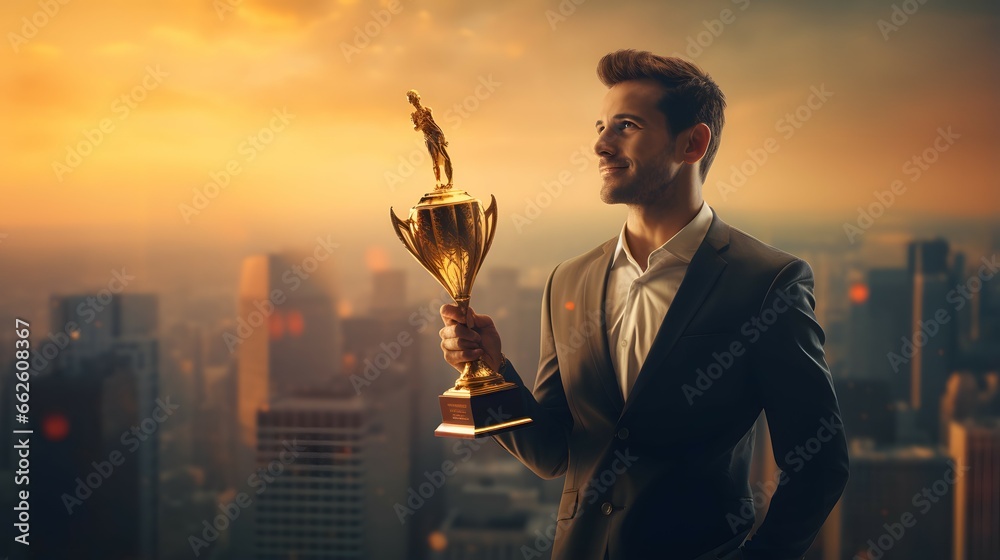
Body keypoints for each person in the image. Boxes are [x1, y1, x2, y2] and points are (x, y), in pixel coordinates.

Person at [439, 49, 849, 560]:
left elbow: (820, 462)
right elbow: (554, 453)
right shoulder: (567, 281)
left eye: (626, 126)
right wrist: (492, 370)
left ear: (692, 142)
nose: (600, 144)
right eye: (601, 126)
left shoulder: (766, 282)